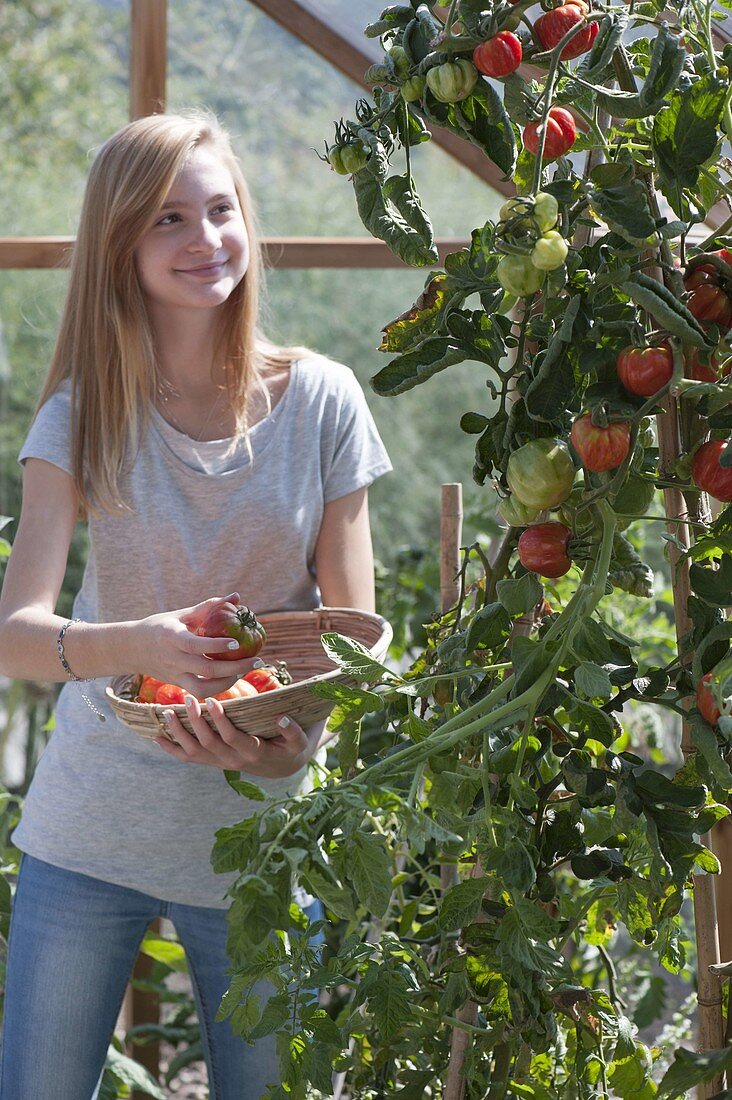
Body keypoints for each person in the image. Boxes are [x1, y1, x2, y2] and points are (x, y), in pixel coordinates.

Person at [0, 109, 392, 1100]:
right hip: (92, 828)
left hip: (266, 837)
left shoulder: (325, 402)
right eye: (168, 219)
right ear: (121, 245)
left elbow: (355, 636)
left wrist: (295, 743)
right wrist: (147, 646)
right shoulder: (83, 413)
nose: (204, 239)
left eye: (221, 210)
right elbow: (13, 636)